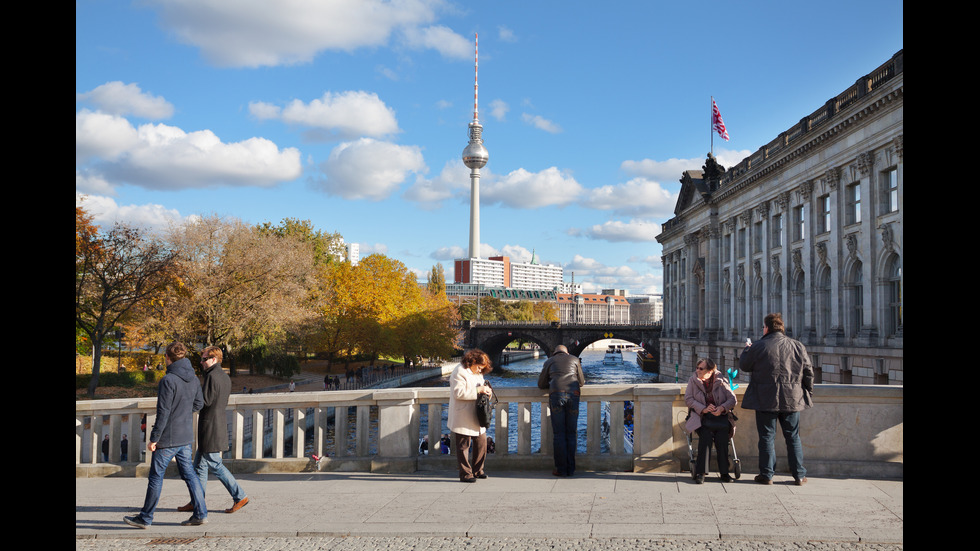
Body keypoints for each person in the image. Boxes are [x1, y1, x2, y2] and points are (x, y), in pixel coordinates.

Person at [124, 341, 207, 528]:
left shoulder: (168, 380)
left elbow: (163, 412)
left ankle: (145, 518)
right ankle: (201, 513)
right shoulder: (193, 379)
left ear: (167, 358)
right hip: (185, 435)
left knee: (156, 477)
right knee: (190, 475)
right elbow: (199, 404)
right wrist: (183, 414)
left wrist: (153, 438)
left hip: (168, 438)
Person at [739, 312, 814, 485]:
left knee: (766, 437)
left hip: (765, 399)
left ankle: (766, 475)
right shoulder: (797, 346)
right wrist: (807, 393)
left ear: (766, 328)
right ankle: (799, 475)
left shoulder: (758, 346)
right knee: (793, 437)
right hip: (792, 398)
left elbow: (744, 366)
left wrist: (747, 349)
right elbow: (809, 372)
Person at [178, 346, 250, 515]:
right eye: (201, 359)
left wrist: (192, 393)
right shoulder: (223, 376)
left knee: (214, 464)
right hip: (215, 424)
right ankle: (197, 501)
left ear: (214, 359)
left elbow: (206, 401)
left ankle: (240, 495)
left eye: (204, 359)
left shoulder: (211, 376)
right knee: (199, 468)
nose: (201, 362)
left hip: (210, 426)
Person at [685, 358, 737, 483]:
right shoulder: (693, 380)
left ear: (710, 371)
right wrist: (704, 409)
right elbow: (688, 399)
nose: (697, 370)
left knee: (722, 439)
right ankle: (701, 473)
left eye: (701, 368)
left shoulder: (720, 381)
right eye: (697, 367)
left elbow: (732, 399)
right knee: (705, 438)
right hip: (702, 417)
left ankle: (725, 473)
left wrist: (721, 408)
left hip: (720, 417)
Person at [537, 345, 585, 477]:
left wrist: (552, 381)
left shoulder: (549, 361)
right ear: (567, 352)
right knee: (571, 432)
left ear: (554, 352)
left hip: (556, 395)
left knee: (559, 434)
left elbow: (541, 384)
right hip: (573, 395)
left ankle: (561, 469)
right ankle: (571, 468)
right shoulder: (575, 360)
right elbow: (581, 381)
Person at [448, 349, 493, 482]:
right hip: (463, 414)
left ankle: (478, 470)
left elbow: (481, 388)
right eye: (479, 367)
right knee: (463, 446)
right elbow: (458, 393)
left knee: (481, 443)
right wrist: (479, 390)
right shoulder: (459, 371)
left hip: (477, 414)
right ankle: (466, 474)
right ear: (473, 361)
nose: (480, 370)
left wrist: (487, 392)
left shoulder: (477, 373)